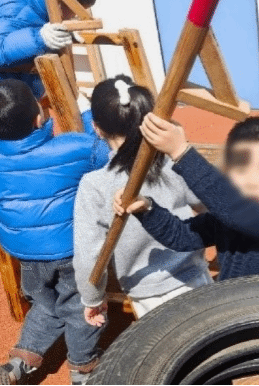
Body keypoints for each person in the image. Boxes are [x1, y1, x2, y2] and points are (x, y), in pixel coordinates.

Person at [0, 79, 109, 386]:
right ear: (38, 118)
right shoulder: (73, 147)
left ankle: (21, 361)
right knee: (80, 305)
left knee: (45, 303)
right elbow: (102, 151)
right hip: (69, 251)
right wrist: (86, 111)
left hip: (24, 251)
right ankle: (83, 367)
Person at [73, 76, 213, 325]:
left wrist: (92, 298)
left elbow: (88, 254)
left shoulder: (94, 184)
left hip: (146, 289)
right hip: (195, 275)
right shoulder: (172, 161)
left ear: (97, 128)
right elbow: (207, 203)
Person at [113, 116, 259, 281]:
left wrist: (182, 153)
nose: (251, 181)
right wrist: (147, 209)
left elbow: (238, 212)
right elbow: (182, 236)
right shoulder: (224, 217)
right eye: (240, 170)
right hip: (235, 309)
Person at [0, 0, 97, 98]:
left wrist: (62, 34)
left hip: (19, 91)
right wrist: (40, 38)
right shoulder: (12, 2)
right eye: (75, 10)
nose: (74, 16)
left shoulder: (41, 3)